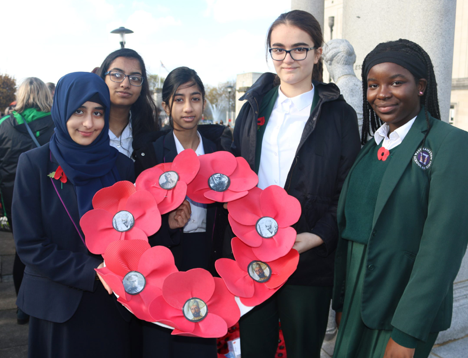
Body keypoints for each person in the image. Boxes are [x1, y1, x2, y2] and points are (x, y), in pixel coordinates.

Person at [232, 10, 361, 358]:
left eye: (299, 48)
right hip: (253, 254)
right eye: (279, 49)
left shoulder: (340, 115)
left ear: (318, 53)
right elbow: (234, 179)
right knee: (255, 348)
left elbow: (349, 191)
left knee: (303, 349)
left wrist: (318, 236)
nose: (288, 58)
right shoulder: (252, 108)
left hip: (308, 256)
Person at [332, 39, 468, 358]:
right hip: (357, 299)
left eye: (396, 82)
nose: (382, 93)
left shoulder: (450, 144)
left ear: (421, 86)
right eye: (373, 84)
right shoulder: (371, 147)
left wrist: (407, 332)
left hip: (401, 305)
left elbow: (442, 249)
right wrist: (342, 301)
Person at [12, 72, 135, 358]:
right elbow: (30, 244)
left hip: (112, 309)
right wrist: (91, 271)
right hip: (57, 306)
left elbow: (136, 233)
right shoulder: (34, 164)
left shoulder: (123, 168)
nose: (89, 123)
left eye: (98, 113)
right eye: (79, 111)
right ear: (62, 110)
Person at [134, 66, 231, 358]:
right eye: (179, 100)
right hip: (167, 254)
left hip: (207, 255)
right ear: (166, 106)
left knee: (200, 335)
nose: (188, 108)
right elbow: (140, 216)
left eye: (196, 98)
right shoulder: (151, 152)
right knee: (163, 338)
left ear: (204, 102)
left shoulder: (220, 152)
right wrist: (169, 225)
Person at [0, 77, 55, 325]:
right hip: (49, 194)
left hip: (12, 197)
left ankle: (23, 306)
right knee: (49, 245)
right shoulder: (56, 123)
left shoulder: (3, 125)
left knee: (23, 248)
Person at [98, 48, 159, 158]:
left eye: (135, 78)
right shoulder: (86, 128)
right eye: (117, 75)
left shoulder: (150, 132)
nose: (125, 84)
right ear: (103, 78)